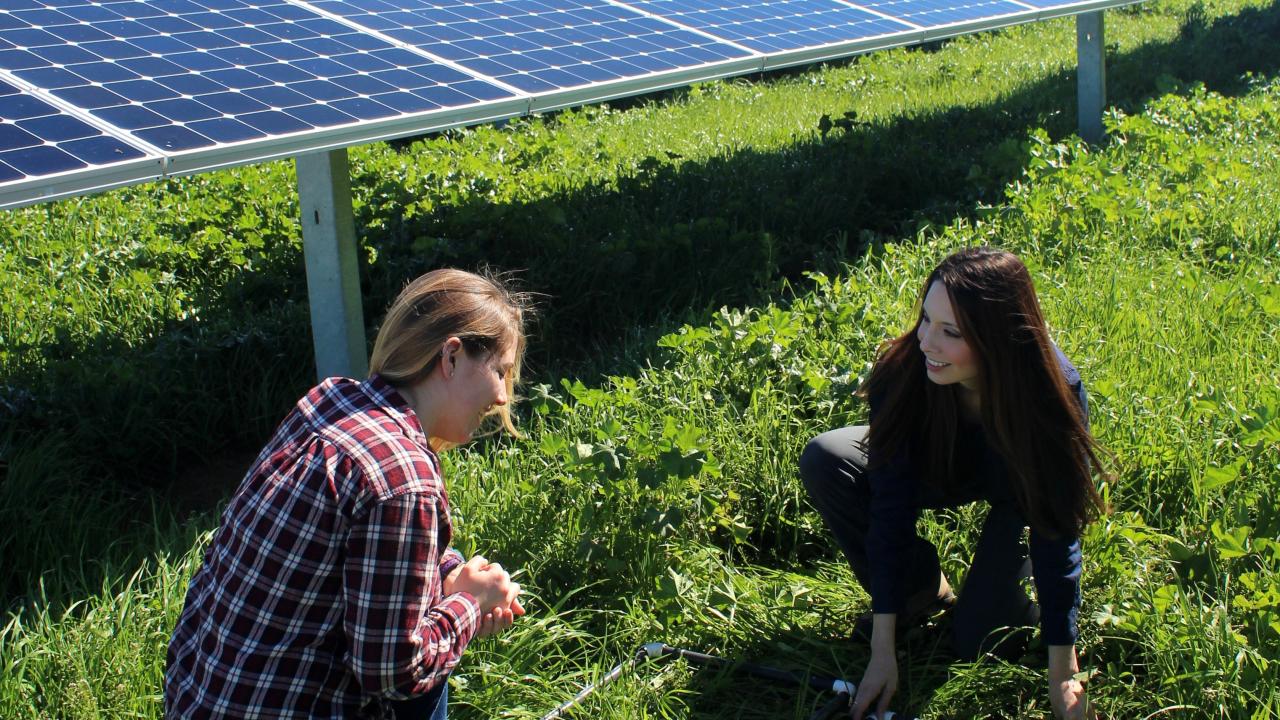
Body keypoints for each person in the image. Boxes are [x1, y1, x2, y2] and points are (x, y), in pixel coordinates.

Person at [166, 268, 531, 719]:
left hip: (201, 697)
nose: (500, 396)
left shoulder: (333, 401)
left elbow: (374, 558)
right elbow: (396, 671)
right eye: (500, 370)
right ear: (451, 356)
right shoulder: (404, 478)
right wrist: (470, 603)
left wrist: (453, 575)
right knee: (426, 682)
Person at [799, 247, 1107, 720]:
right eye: (926, 319)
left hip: (1016, 491)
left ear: (998, 339)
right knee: (827, 457)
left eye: (951, 332)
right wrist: (884, 648)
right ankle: (922, 592)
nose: (927, 341)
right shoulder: (905, 370)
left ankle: (1004, 589)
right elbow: (890, 507)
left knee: (978, 642)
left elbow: (1056, 528)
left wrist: (1062, 671)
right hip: (940, 467)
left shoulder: (1051, 390)